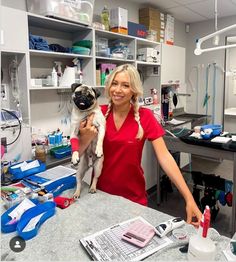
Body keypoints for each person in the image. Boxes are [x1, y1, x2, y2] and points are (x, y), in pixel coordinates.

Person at [75, 64, 202, 226]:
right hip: (100, 196)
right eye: (114, 83)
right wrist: (85, 138)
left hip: (133, 200)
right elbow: (77, 155)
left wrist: (189, 198)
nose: (118, 90)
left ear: (134, 90)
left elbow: (165, 157)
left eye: (125, 85)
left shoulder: (145, 116)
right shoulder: (97, 115)